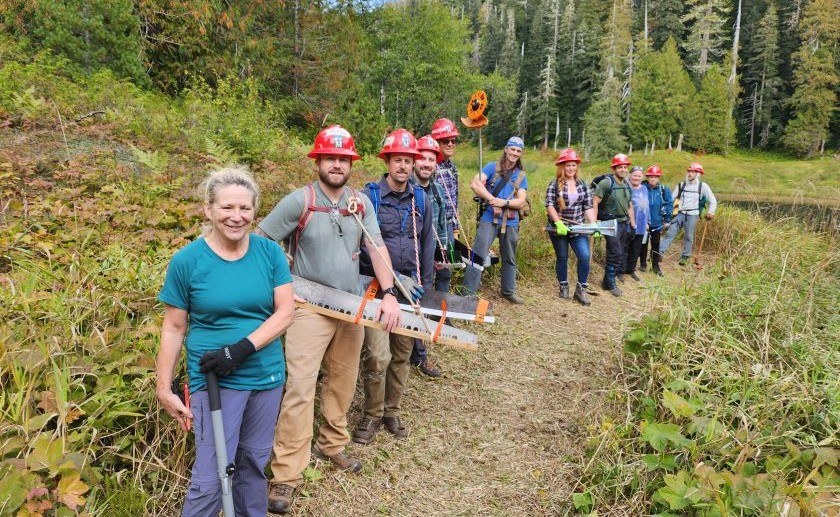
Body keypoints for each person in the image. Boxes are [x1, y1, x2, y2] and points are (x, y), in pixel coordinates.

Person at [257, 125, 402, 515]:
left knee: (343, 379)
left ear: (351, 163)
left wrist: (389, 294)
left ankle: (332, 444)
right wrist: (282, 285)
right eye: (330, 158)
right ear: (318, 161)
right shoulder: (299, 201)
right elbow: (262, 241)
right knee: (300, 388)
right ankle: (287, 473)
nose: (337, 164)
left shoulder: (361, 203)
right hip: (308, 308)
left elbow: (376, 246)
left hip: (350, 305)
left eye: (343, 159)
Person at [155, 166, 295, 517]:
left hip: (266, 376)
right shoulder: (187, 261)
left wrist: (240, 349)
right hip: (214, 379)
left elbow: (285, 313)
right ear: (208, 209)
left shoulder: (270, 253)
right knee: (212, 475)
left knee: (253, 464)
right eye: (227, 207)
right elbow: (173, 327)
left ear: (254, 211)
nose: (237, 216)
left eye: (245, 208)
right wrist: (163, 387)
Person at [355, 128, 435, 445]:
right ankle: (372, 414)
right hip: (375, 286)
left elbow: (427, 246)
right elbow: (361, 244)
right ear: (387, 161)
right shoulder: (370, 197)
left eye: (408, 160)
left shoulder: (422, 200)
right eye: (397, 159)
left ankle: (392, 411)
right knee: (377, 355)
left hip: (411, 290)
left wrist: (425, 291)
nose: (403, 166)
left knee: (402, 353)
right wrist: (390, 277)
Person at [463, 136, 529, 304]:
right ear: (506, 149)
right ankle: (468, 293)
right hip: (489, 217)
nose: (515, 153)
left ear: (521, 153)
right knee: (477, 255)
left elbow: (521, 201)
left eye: (518, 151)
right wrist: (493, 200)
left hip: (511, 220)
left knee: (509, 257)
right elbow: (475, 184)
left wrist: (504, 203)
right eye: (512, 149)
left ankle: (508, 291)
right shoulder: (492, 167)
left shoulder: (521, 175)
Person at [409, 135, 448, 378]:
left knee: (422, 302)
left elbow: (442, 223)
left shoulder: (437, 190)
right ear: (414, 160)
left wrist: (442, 252)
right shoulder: (406, 186)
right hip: (405, 254)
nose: (426, 163)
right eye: (422, 158)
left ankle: (419, 354)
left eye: (431, 159)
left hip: (427, 257)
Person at [545, 148, 596, 305]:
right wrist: (558, 222)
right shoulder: (554, 185)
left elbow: (588, 206)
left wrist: (593, 224)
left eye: (574, 165)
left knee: (584, 256)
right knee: (562, 257)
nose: (571, 168)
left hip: (578, 228)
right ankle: (563, 286)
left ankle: (581, 290)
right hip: (559, 229)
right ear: (562, 166)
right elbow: (549, 205)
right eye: (568, 165)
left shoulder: (582, 184)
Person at [593, 153, 635, 297]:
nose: (623, 169)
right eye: (620, 167)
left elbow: (630, 206)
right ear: (614, 168)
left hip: (623, 222)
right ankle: (610, 282)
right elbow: (595, 203)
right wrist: (595, 223)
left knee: (620, 251)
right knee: (615, 252)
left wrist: (633, 224)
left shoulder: (627, 184)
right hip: (609, 222)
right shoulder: (606, 183)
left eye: (625, 167)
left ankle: (609, 280)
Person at [659, 162, 717, 265]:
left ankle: (685, 257)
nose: (690, 173)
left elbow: (713, 201)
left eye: (693, 172)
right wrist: (665, 213)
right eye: (689, 171)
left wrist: (711, 212)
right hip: (679, 213)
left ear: (698, 174)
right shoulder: (681, 185)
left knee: (689, 236)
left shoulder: (703, 186)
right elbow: (670, 200)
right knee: (670, 233)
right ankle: (658, 253)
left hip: (693, 215)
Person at [431, 118, 461, 293]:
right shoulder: (430, 166)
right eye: (445, 141)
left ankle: (441, 304)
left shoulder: (452, 167)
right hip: (432, 226)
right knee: (429, 268)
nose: (450, 144)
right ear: (437, 142)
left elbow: (455, 199)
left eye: (453, 140)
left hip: (448, 226)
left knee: (446, 268)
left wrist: (455, 228)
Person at [640, 165, 673, 276]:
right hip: (643, 222)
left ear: (658, 178)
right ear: (647, 177)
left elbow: (668, 204)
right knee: (643, 244)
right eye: (651, 177)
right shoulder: (642, 187)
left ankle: (655, 266)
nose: (653, 179)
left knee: (656, 244)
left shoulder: (663, 189)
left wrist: (667, 220)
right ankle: (643, 264)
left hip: (657, 222)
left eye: (655, 177)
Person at [624, 166, 650, 281]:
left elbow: (647, 206)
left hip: (642, 223)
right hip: (628, 223)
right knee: (626, 247)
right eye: (635, 175)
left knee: (636, 248)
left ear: (642, 177)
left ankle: (631, 269)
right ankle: (621, 270)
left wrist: (647, 221)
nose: (637, 178)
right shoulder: (626, 187)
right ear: (630, 175)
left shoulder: (644, 188)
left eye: (639, 176)